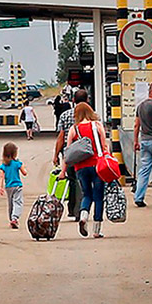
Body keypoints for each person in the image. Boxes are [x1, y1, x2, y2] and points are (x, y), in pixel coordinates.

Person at [65, 102, 109, 238]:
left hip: (80, 167)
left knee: (87, 194)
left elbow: (68, 151)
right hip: (97, 165)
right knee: (99, 196)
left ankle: (83, 216)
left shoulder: (74, 129)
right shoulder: (97, 125)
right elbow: (104, 146)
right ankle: (97, 229)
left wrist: (63, 170)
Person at [53, 88, 88, 220]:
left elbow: (61, 137)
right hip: (87, 154)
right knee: (85, 180)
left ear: (73, 100)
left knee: (73, 181)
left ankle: (73, 209)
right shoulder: (92, 116)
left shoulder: (65, 115)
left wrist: (56, 154)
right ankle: (83, 208)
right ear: (87, 100)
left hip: (69, 154)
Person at [0, 142, 27, 229]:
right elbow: (25, 173)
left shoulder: (4, 165)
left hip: (8, 187)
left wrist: (0, 187)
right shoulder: (17, 163)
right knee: (18, 202)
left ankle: (11, 218)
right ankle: (15, 218)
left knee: (10, 203)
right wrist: (22, 166)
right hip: (17, 185)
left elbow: (1, 177)